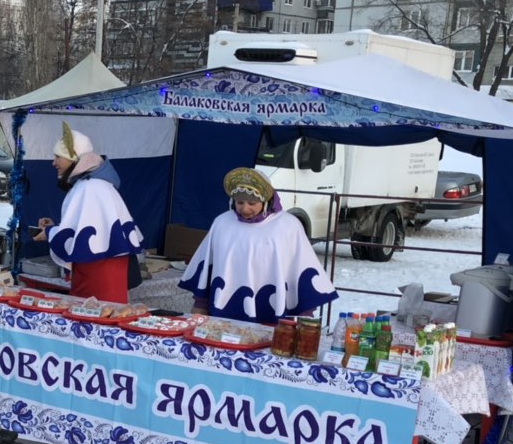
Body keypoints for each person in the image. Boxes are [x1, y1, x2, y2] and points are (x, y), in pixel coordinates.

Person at [179, 166, 338, 324]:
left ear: (266, 201)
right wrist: (200, 303)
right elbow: (207, 265)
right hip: (223, 314)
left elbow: (300, 267)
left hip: (271, 313)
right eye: (240, 202)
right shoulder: (222, 223)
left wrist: (305, 313)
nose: (245, 209)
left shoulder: (287, 226)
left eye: (252, 203)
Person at [33, 123, 145, 304]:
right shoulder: (99, 185)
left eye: (58, 157)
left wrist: (49, 233)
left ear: (73, 158)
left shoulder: (88, 187)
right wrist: (56, 228)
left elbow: (83, 240)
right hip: (108, 275)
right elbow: (89, 230)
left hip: (96, 277)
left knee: (93, 321)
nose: (53, 163)